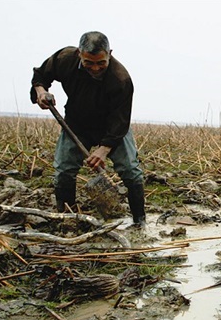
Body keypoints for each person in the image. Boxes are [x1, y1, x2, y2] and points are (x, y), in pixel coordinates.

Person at [30, 31, 146, 227]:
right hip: (77, 123)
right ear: (79, 54)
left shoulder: (121, 79)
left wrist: (104, 148)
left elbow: (121, 119)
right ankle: (67, 219)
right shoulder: (64, 59)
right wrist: (41, 92)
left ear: (109, 54)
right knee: (64, 170)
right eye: (89, 63)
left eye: (101, 63)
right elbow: (40, 75)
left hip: (112, 127)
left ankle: (140, 221)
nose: (95, 68)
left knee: (130, 170)